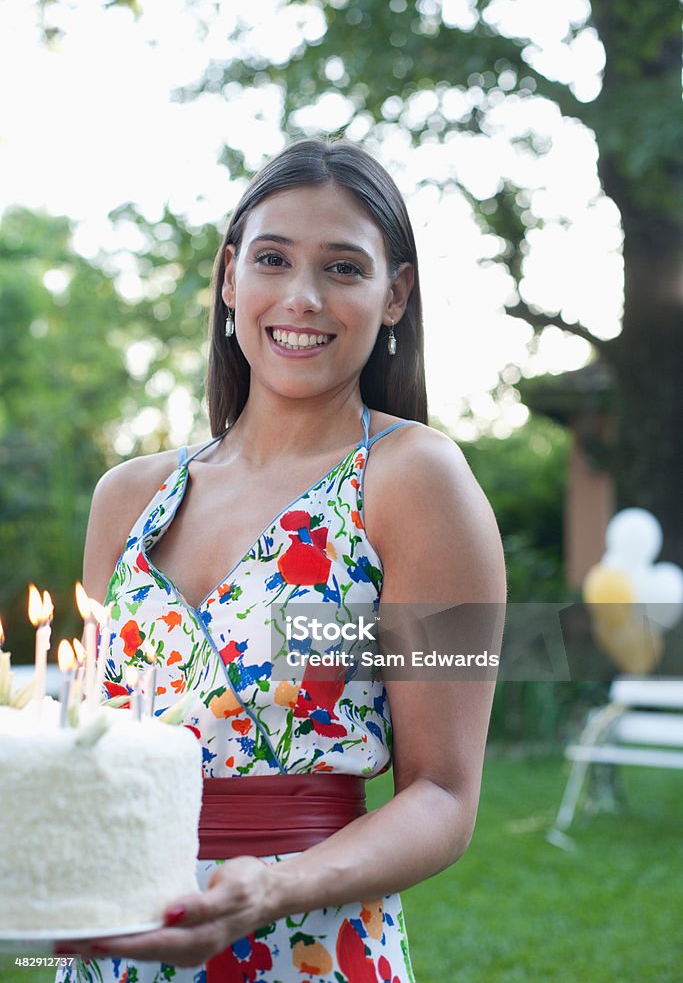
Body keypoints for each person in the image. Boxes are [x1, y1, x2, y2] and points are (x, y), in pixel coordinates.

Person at [57, 138, 506, 983]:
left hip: (305, 950)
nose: (301, 298)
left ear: (394, 293)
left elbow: (444, 797)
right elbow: (94, 753)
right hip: (116, 946)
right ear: (229, 277)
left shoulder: (417, 481)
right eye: (272, 259)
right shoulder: (127, 496)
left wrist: (271, 887)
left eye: (343, 268)